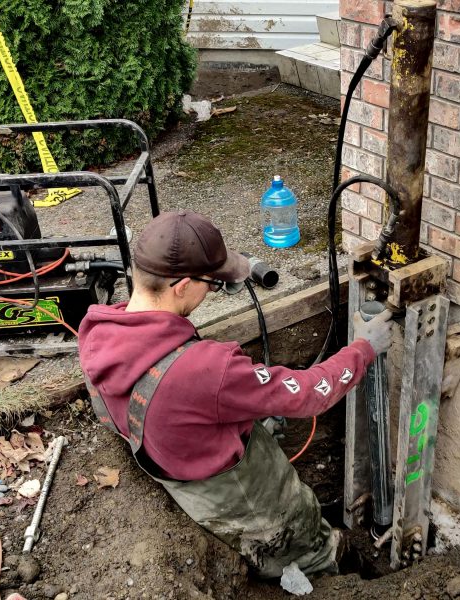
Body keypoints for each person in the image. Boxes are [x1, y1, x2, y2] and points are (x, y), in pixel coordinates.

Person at [78, 210, 393, 578]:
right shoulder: (206, 369)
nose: (213, 291)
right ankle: (339, 571)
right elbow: (310, 394)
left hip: (196, 491)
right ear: (181, 284)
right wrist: (363, 349)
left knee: (257, 550)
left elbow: (174, 408)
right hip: (251, 504)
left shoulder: (97, 332)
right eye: (212, 283)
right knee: (308, 548)